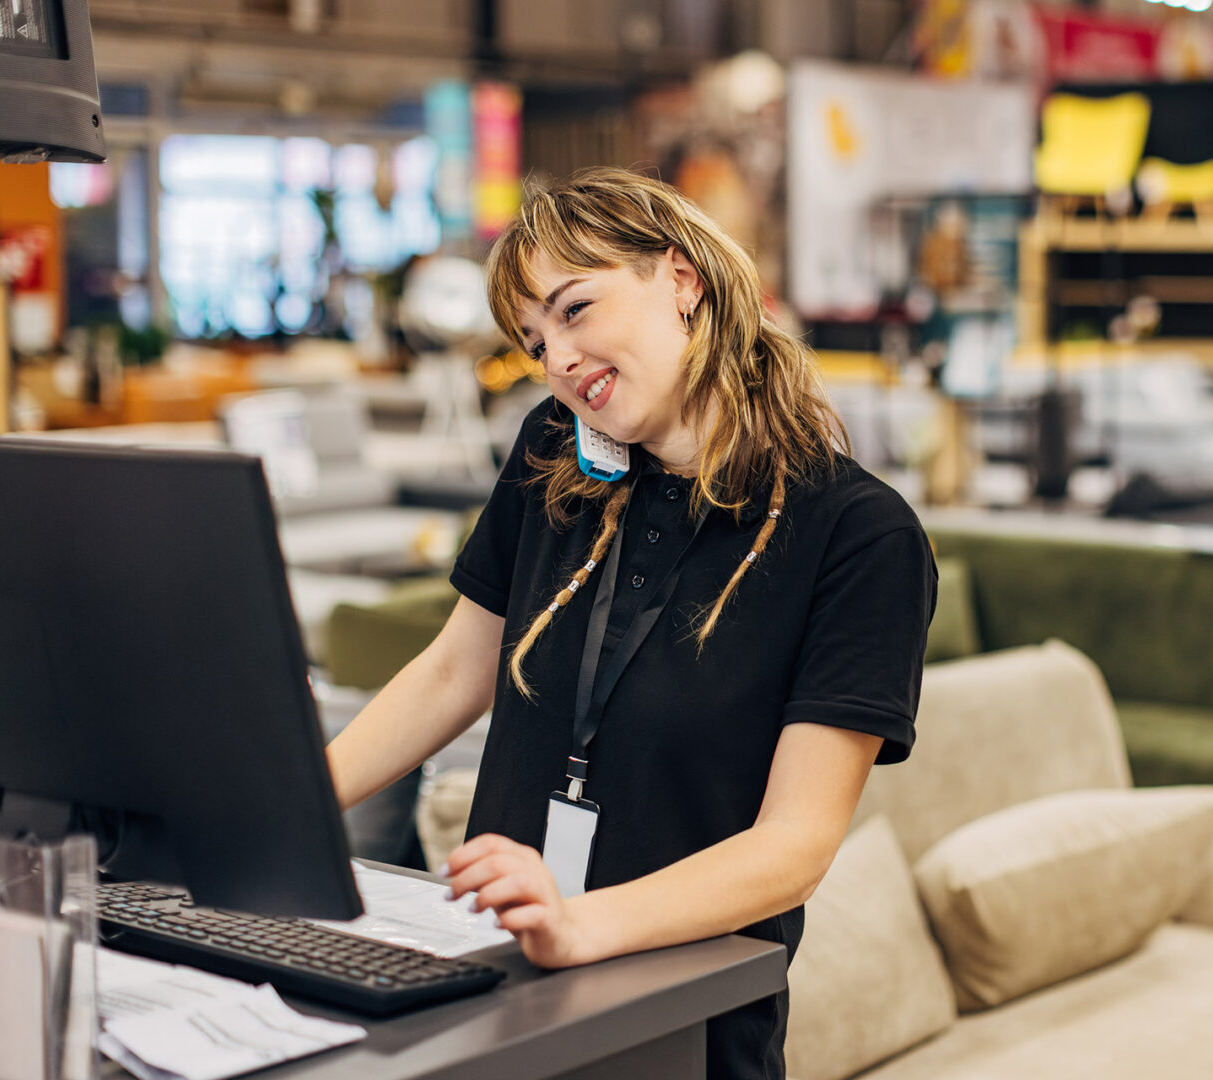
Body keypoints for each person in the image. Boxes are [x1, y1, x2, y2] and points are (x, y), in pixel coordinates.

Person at [323, 167, 937, 1080]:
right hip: (492, 988)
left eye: (575, 309)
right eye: (534, 341)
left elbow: (794, 846)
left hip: (682, 1024)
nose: (558, 359)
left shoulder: (859, 534)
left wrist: (581, 925)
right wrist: (290, 807)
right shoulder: (549, 453)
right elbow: (456, 670)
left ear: (681, 281)